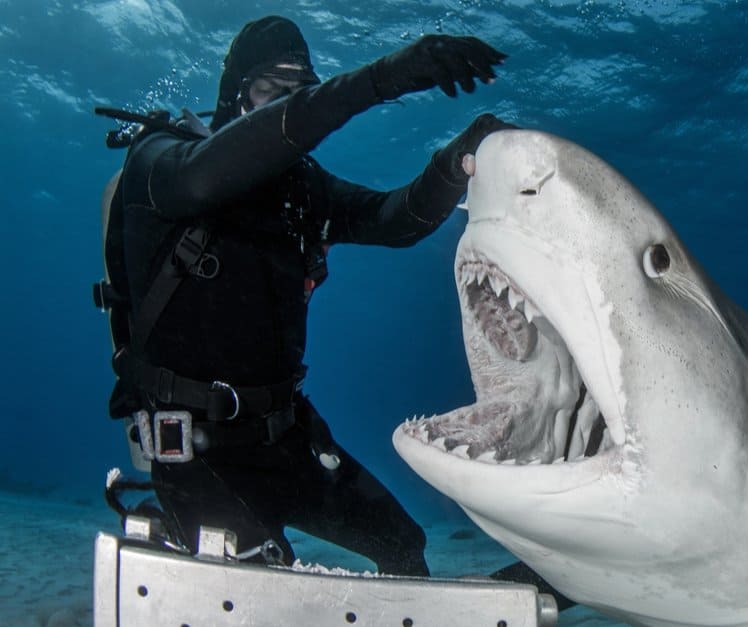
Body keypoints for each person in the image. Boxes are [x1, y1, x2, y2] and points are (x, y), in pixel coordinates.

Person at [98, 15, 514, 577]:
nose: (282, 109)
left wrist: (457, 162)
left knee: (403, 546)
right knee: (261, 579)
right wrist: (387, 76)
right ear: (234, 95)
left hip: (286, 436)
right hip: (195, 449)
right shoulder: (161, 160)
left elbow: (393, 220)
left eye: (299, 95)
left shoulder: (302, 191)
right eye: (271, 91)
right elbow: (202, 180)